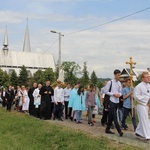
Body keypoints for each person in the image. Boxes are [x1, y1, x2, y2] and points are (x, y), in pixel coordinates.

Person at [104, 69, 123, 137]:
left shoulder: (119, 83)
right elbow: (105, 91)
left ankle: (107, 129)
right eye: (118, 75)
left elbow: (121, 92)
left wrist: (119, 94)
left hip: (117, 101)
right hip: (111, 101)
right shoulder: (110, 82)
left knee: (111, 116)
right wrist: (113, 94)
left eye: (120, 75)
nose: (119, 76)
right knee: (115, 116)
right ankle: (119, 131)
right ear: (115, 75)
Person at [134, 72, 150, 141]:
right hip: (142, 105)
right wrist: (147, 99)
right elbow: (136, 96)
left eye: (148, 76)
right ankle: (147, 136)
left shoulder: (149, 85)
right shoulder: (139, 86)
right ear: (142, 78)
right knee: (145, 120)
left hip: (147, 105)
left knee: (144, 119)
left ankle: (138, 132)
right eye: (146, 77)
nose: (148, 78)